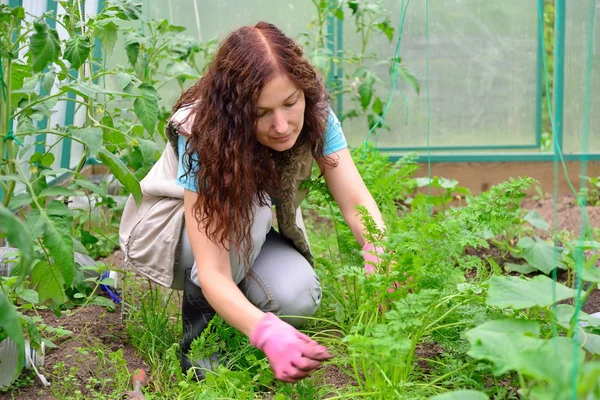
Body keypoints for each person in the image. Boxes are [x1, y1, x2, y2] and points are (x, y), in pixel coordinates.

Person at [119, 21, 386, 384]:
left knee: (295, 297)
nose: (281, 125)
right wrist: (264, 332)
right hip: (170, 231)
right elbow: (212, 270)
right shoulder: (204, 133)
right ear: (235, 110)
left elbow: (356, 203)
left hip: (243, 234)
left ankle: (236, 314)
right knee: (252, 206)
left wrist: (379, 252)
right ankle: (199, 358)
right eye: (260, 113)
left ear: (304, 91)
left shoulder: (317, 116)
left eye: (290, 103)